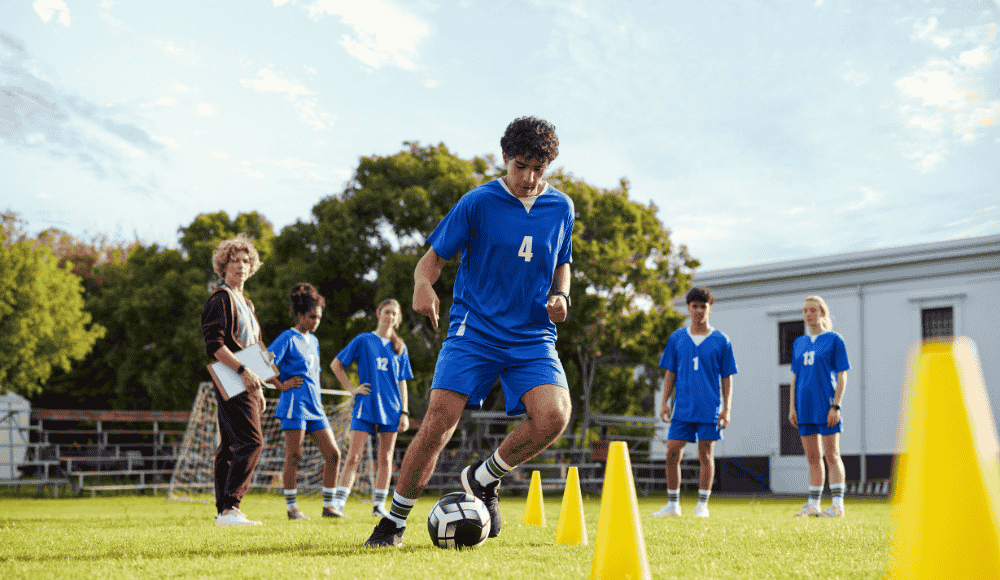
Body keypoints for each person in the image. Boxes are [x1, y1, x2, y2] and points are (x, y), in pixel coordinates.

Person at [364, 116, 574, 547]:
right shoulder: (477, 202)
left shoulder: (562, 208)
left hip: (532, 336)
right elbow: (431, 260)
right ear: (504, 159)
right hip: (474, 329)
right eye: (520, 166)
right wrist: (423, 286)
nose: (529, 178)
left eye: (539, 167)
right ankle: (394, 522)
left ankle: (482, 478)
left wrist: (562, 297)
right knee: (439, 423)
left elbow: (562, 262)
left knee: (554, 417)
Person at [201, 233, 288, 526]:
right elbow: (214, 345)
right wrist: (243, 371)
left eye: (246, 260)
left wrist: (260, 383)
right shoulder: (221, 298)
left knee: (228, 446)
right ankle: (230, 508)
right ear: (223, 267)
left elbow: (254, 349)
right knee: (252, 442)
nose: (240, 265)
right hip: (232, 375)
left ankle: (224, 512)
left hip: (247, 379)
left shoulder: (246, 303)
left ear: (252, 267)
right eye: (234, 261)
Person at [651, 286, 737, 519]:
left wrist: (726, 409)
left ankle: (702, 505)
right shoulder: (677, 338)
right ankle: (672, 505)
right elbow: (670, 373)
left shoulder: (721, 341)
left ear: (710, 307)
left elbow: (727, 378)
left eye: (703, 306)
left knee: (705, 455)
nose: (699, 310)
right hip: (683, 407)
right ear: (688, 308)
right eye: (695, 306)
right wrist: (664, 402)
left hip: (709, 407)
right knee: (672, 451)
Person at [329, 298, 413, 518]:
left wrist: (404, 412)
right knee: (354, 456)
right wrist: (351, 389)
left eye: (394, 314)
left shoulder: (400, 347)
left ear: (398, 319)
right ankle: (337, 504)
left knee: (385, 458)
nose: (390, 317)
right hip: (366, 405)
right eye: (387, 312)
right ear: (378, 313)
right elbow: (336, 365)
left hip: (392, 409)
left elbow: (403, 382)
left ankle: (379, 506)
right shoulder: (363, 340)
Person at [267, 283, 345, 520]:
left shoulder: (314, 340)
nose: (316, 321)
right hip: (294, 404)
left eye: (319, 317)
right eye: (312, 316)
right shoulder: (287, 337)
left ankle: (329, 507)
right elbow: (266, 361)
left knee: (333, 454)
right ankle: (292, 508)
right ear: (300, 315)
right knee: (294, 456)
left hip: (315, 406)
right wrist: (280, 384)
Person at [789, 295, 850, 517]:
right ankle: (813, 503)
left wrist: (836, 405)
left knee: (831, 455)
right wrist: (792, 407)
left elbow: (842, 376)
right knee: (812, 457)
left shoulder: (834, 340)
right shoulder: (799, 343)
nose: (808, 314)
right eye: (805, 311)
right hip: (804, 408)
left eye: (813, 310)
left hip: (826, 406)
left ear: (823, 312)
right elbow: (795, 379)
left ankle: (836, 505)